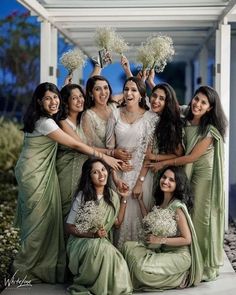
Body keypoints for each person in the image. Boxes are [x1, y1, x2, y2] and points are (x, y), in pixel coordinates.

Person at [13, 82, 122, 283]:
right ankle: (24, 270)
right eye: (48, 98)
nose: (53, 102)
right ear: (39, 101)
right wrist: (105, 157)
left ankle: (42, 267)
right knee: (37, 224)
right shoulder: (45, 122)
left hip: (37, 172)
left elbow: (92, 94)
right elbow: (74, 144)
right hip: (34, 175)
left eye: (55, 97)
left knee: (45, 223)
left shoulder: (49, 119)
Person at [146, 85, 228, 281]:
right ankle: (186, 259)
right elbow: (169, 101)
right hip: (186, 172)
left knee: (200, 216)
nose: (197, 104)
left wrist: (160, 162)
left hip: (202, 175)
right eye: (196, 99)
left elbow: (190, 157)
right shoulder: (185, 114)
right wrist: (151, 83)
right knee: (186, 213)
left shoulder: (210, 130)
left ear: (210, 108)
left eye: (203, 102)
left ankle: (204, 265)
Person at [122, 166, 203, 291]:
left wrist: (160, 240)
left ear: (178, 184)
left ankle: (180, 277)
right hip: (163, 253)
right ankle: (169, 277)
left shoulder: (177, 207)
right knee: (128, 247)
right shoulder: (161, 203)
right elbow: (150, 222)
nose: (165, 181)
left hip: (179, 256)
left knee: (140, 268)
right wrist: (140, 202)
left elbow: (187, 239)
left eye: (171, 180)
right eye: (164, 177)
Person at [66, 158, 133, 295]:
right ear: (89, 176)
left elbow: (117, 223)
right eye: (95, 172)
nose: (101, 175)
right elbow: (69, 227)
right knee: (103, 250)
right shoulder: (83, 196)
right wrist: (92, 235)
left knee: (114, 257)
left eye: (103, 170)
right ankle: (95, 286)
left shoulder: (113, 196)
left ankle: (109, 288)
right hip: (81, 242)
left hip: (102, 242)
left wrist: (124, 198)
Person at [106, 76, 158, 248]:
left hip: (141, 173)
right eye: (127, 89)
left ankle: (139, 257)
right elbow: (110, 149)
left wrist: (139, 181)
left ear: (142, 95)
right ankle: (119, 260)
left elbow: (148, 152)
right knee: (118, 217)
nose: (129, 93)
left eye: (134, 90)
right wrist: (115, 176)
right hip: (118, 172)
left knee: (140, 215)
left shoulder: (150, 117)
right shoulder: (114, 114)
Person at [56, 83, 88, 219]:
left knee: (79, 210)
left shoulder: (81, 121)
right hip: (66, 172)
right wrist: (110, 154)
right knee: (66, 209)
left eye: (81, 96)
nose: (80, 100)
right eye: (74, 98)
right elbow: (80, 146)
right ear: (66, 102)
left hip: (82, 172)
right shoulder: (63, 122)